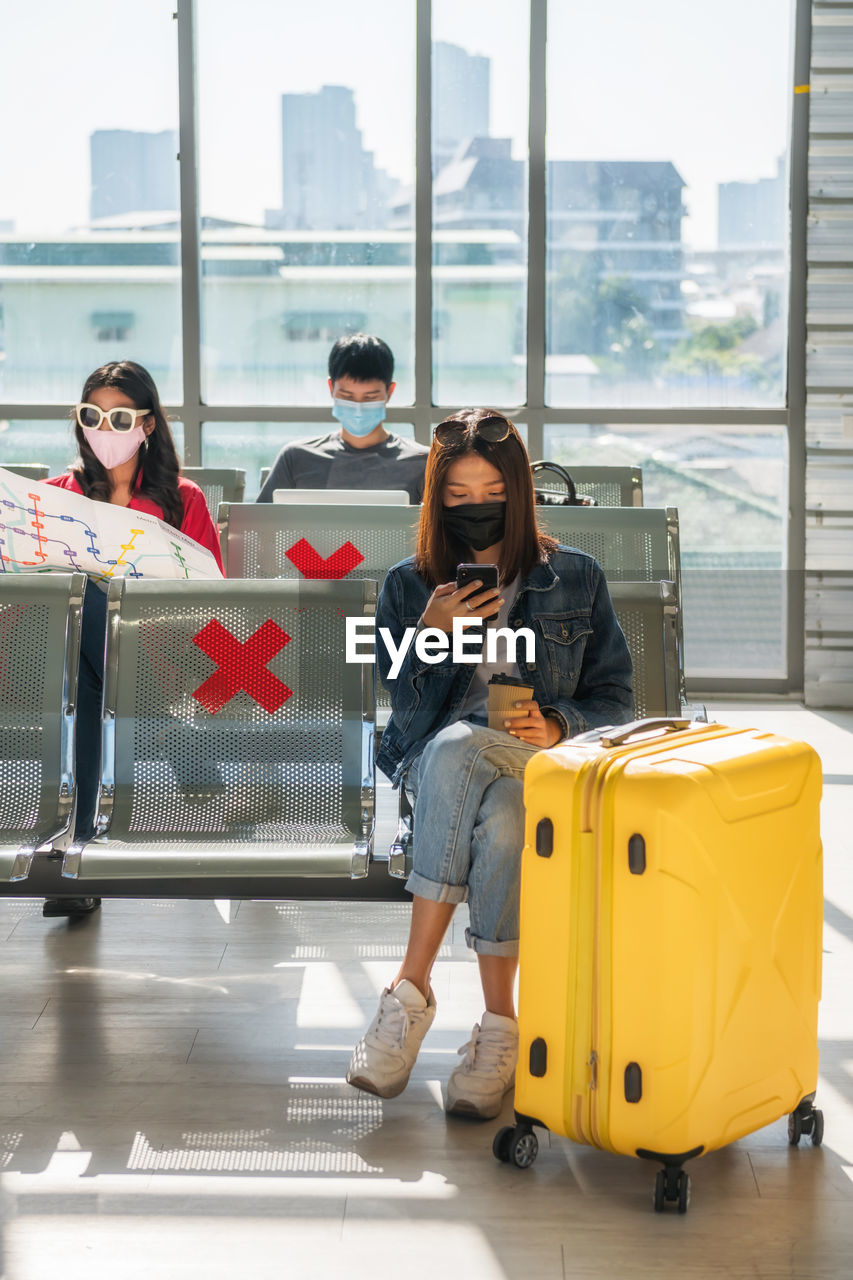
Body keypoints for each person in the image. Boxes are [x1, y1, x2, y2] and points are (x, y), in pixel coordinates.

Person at [346, 408, 634, 1118]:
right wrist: (427, 634)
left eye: (490, 494)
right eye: (457, 496)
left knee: (487, 769)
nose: (475, 508)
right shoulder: (407, 584)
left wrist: (559, 723)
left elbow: (616, 697)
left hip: (535, 760)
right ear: (435, 500)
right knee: (494, 808)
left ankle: (408, 994)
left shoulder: (574, 577)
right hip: (438, 771)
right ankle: (500, 1027)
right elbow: (399, 699)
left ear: (518, 492)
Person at [43, 360, 223, 919]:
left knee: (99, 617)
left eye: (120, 417)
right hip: (65, 661)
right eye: (93, 415)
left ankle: (77, 850)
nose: (105, 428)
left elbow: (208, 593)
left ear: (147, 425)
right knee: (87, 624)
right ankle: (173, 743)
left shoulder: (182, 499)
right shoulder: (53, 498)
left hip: (158, 655)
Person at [256, 334, 428, 502]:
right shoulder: (297, 458)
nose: (358, 407)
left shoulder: (422, 462)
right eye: (347, 396)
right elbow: (255, 527)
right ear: (331, 388)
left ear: (389, 392)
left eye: (370, 397)